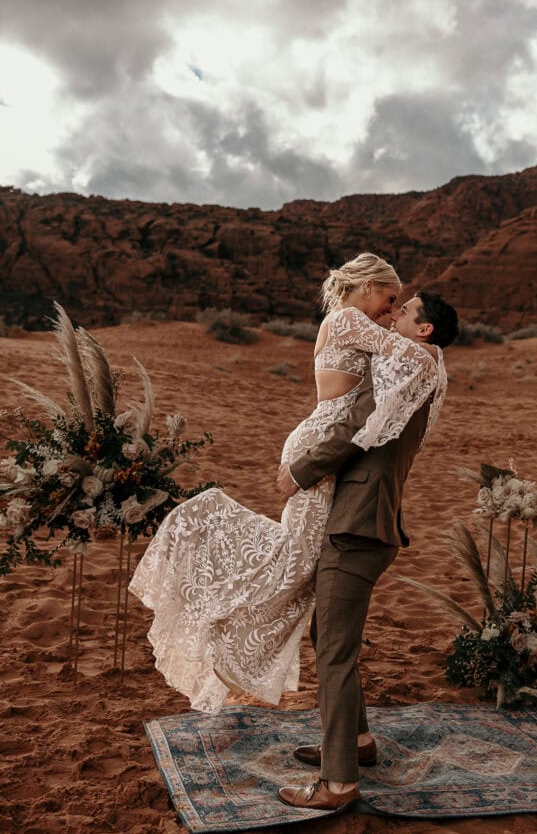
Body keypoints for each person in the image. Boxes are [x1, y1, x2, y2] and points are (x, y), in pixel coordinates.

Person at [129, 254, 455, 717]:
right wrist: (436, 353)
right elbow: (407, 354)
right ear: (366, 288)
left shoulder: (358, 325)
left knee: (299, 566)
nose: (389, 310)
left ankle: (239, 638)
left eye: (399, 306)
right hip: (317, 450)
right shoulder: (348, 319)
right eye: (389, 299)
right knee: (294, 563)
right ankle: (219, 626)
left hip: (325, 452)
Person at [276, 291, 459, 812]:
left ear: (423, 330)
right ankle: (356, 743)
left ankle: (338, 784)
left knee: (333, 651)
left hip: (358, 527)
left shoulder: (410, 367)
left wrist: (298, 472)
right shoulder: (427, 366)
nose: (393, 315)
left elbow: (358, 423)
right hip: (369, 522)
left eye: (405, 311)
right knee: (328, 636)